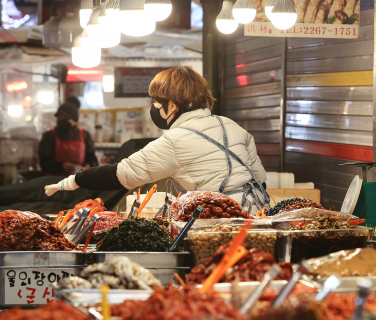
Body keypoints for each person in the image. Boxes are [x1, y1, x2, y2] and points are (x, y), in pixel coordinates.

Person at [44, 66, 269, 212]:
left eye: (157, 103)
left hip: (223, 222)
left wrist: (71, 181)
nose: (154, 109)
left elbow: (120, 174)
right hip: (261, 213)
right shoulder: (233, 126)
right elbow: (259, 176)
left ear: (172, 105)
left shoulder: (175, 140)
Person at [38, 96, 98, 176]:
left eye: (65, 118)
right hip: (54, 182)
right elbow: (44, 163)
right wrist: (62, 166)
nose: (61, 121)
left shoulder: (85, 135)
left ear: (74, 120)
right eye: (59, 118)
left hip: (79, 181)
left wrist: (88, 166)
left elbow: (92, 158)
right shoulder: (49, 136)